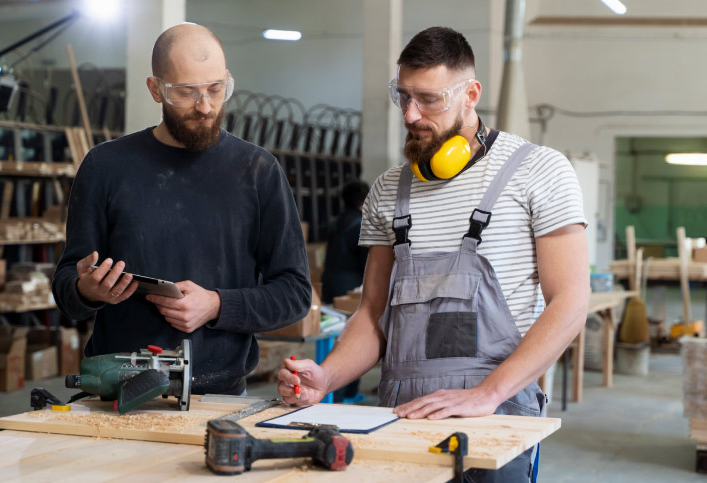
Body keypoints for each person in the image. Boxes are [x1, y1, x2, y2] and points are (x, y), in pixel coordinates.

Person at [278, 26, 588, 481]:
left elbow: (570, 304)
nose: (410, 114)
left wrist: (487, 394)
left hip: (496, 413)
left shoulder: (539, 171)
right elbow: (372, 313)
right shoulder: (388, 190)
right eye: (402, 96)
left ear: (470, 94)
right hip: (403, 414)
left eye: (428, 99)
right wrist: (326, 377)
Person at [52, 23, 311, 397]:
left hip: (219, 394)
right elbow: (66, 289)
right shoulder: (105, 167)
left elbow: (295, 294)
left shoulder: (258, 171)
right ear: (155, 89)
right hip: (117, 388)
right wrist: (88, 290)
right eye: (186, 93)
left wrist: (217, 305)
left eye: (216, 89)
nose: (205, 106)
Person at [321, 179, 369, 403]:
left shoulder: (336, 222)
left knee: (333, 332)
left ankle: (333, 386)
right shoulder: (361, 223)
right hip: (350, 283)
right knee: (354, 336)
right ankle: (348, 393)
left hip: (330, 280)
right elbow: (364, 260)